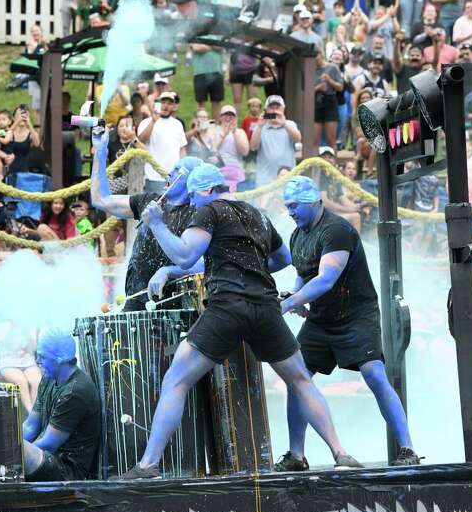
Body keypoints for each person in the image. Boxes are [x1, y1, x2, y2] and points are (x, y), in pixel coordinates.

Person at [115, 164, 359, 479]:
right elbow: (283, 258)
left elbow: (185, 255)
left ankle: (148, 465)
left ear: (204, 191)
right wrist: (250, 269)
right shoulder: (255, 213)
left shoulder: (208, 211)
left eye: (192, 196)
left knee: (175, 380)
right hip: (266, 309)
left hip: (227, 309)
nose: (190, 204)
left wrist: (157, 224)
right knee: (301, 380)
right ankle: (341, 453)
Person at [280, 176, 420, 465]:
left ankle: (408, 450)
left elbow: (326, 279)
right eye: (287, 206)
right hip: (321, 320)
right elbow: (303, 273)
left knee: (374, 375)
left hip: (357, 315)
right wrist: (295, 295)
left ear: (314, 203)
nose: (290, 212)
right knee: (296, 377)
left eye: (295, 206)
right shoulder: (297, 234)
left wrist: (290, 302)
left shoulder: (337, 231)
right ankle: (297, 454)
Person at [92, 130, 202, 311]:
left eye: (177, 172)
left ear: (191, 180)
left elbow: (206, 262)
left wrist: (169, 271)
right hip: (135, 300)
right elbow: (100, 199)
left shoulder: (198, 214)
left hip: (174, 307)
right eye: (171, 169)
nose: (169, 175)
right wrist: (100, 150)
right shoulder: (149, 201)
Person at [22, 331, 101, 482]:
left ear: (59, 359)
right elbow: (30, 426)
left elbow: (49, 444)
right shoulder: (48, 378)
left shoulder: (75, 392)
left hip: (67, 470)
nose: (37, 361)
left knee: (13, 451)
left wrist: (12, 456)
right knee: (7, 445)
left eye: (43, 357)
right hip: (47, 456)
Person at [136, 92, 187, 193]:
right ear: (157, 104)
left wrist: (182, 168)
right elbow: (140, 141)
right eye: (163, 102)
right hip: (154, 176)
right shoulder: (146, 122)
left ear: (173, 106)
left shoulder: (178, 124)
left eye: (169, 103)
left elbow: (182, 149)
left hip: (174, 177)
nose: (166, 106)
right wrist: (153, 121)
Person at [250, 95, 300, 188]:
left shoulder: (290, 124)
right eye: (271, 108)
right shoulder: (260, 126)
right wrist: (260, 126)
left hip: (286, 177)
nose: (274, 111)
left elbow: (297, 138)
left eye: (277, 107)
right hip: (265, 179)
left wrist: (283, 123)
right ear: (266, 110)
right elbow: (253, 147)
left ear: (283, 109)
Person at [0, 321, 42, 412]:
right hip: (8, 362)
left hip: (28, 362)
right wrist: (12, 327)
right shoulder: (4, 324)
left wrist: (36, 333)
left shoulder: (32, 323)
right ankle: (31, 414)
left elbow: (35, 347)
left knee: (37, 381)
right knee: (21, 381)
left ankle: (37, 413)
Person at [0, 105, 40, 185]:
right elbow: (6, 134)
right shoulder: (7, 132)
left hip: (24, 173)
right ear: (13, 118)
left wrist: (29, 124)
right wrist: (17, 122)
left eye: (25, 114)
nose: (23, 117)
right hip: (7, 173)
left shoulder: (30, 134)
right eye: (20, 114)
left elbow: (37, 143)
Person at [189, 42, 225, 119]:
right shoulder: (196, 35)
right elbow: (196, 48)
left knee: (217, 101)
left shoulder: (218, 33)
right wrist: (212, 46)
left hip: (216, 72)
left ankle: (216, 126)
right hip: (200, 72)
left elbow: (221, 47)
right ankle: (203, 126)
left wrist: (205, 46)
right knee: (201, 102)